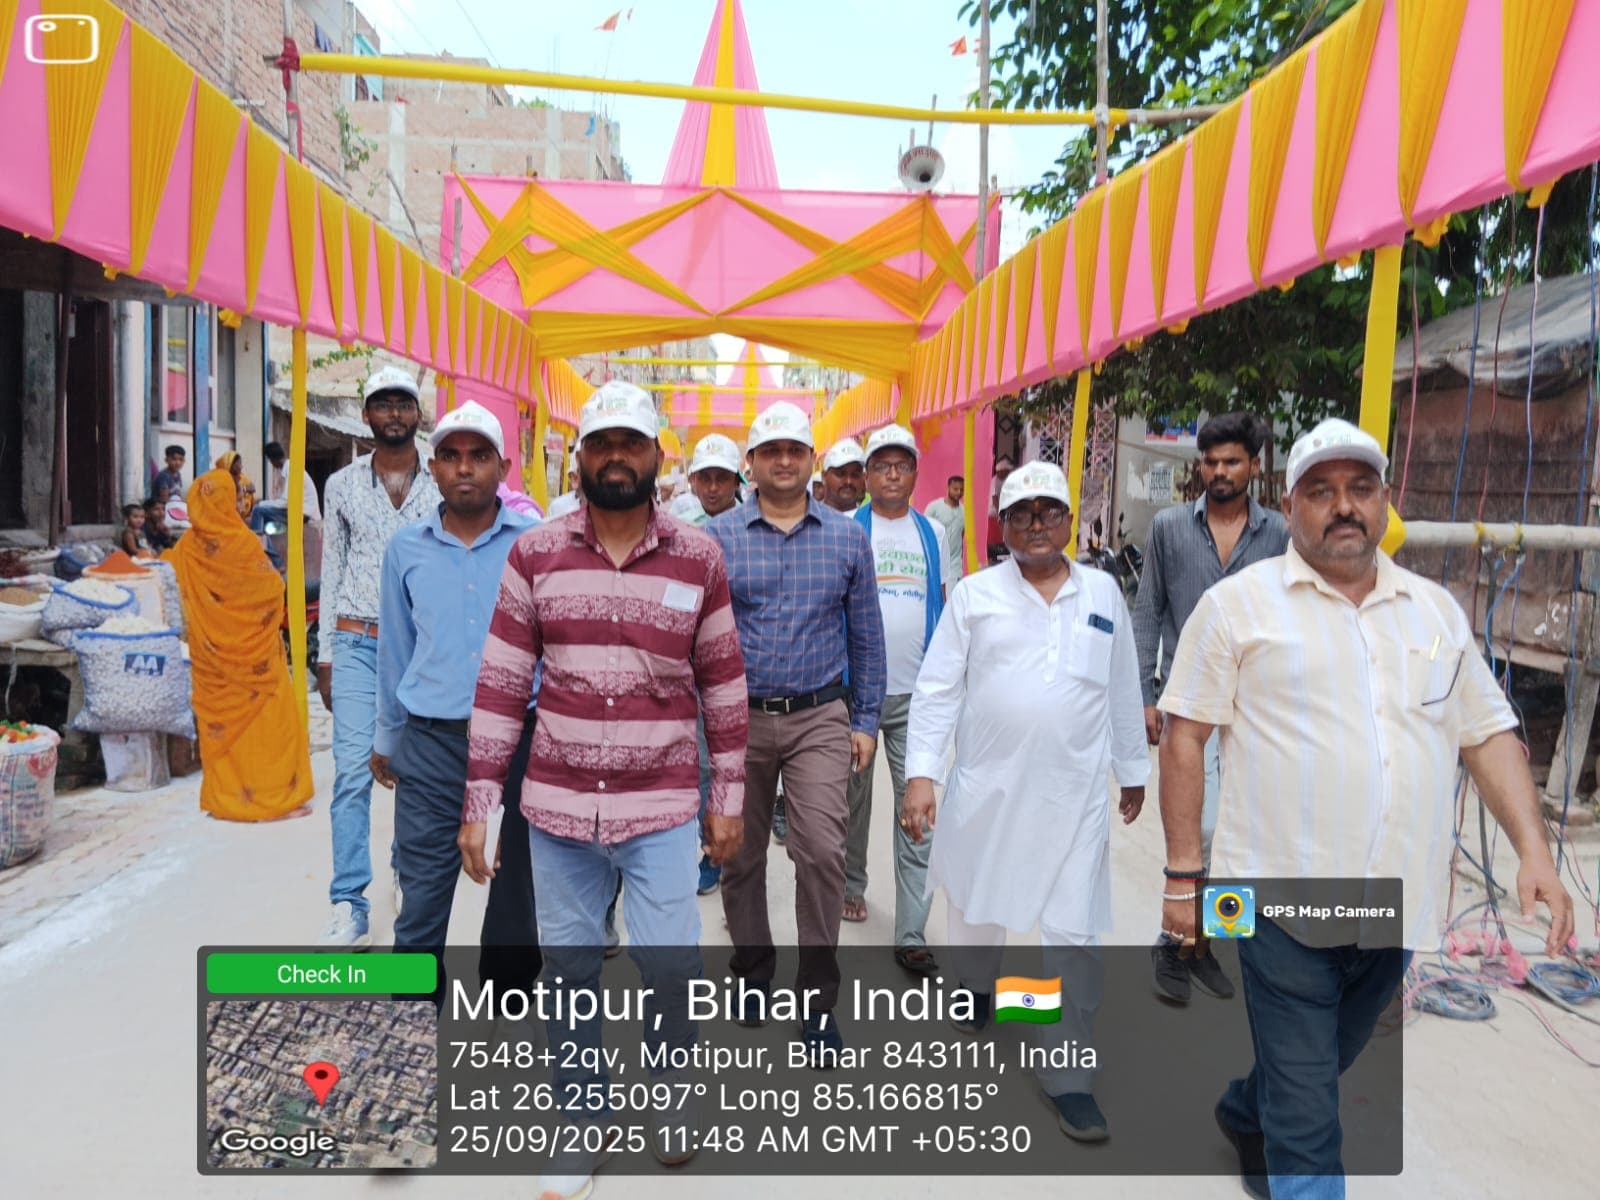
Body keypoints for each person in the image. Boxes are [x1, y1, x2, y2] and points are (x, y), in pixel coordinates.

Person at [1157, 418, 1575, 1200]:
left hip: (1394, 899)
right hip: (1270, 894)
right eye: (1321, 492)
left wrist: (1536, 853)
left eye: (1360, 489)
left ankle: (1249, 1111)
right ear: (1291, 504)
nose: (1342, 507)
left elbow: (1486, 734)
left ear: (1388, 500)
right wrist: (1184, 876)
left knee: (1323, 1057)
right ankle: (1285, 1138)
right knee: (1313, 1112)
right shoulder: (1236, 608)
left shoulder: (1434, 612)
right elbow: (1185, 738)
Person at [465, 381, 747, 1198]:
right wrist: (481, 800)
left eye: (631, 443)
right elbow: (501, 681)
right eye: (600, 443)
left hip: (659, 805)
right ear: (579, 457)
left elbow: (724, 684)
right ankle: (581, 1119)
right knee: (569, 966)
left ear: (660, 459)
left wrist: (726, 794)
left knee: (670, 960)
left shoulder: (699, 558)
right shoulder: (536, 554)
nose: (615, 456)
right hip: (556, 806)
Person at [902, 461, 1148, 1143]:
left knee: (1074, 932)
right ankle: (977, 987)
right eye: (1021, 514)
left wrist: (1132, 766)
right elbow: (937, 689)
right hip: (991, 789)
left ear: (1071, 521)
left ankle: (1067, 1075)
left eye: (1049, 511)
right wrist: (922, 772)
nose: (1037, 524)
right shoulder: (976, 596)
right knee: (978, 906)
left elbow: (1123, 686)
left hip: (1076, 796)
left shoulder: (1101, 593)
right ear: (1002, 527)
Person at [706, 401, 886, 1063]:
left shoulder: (846, 539)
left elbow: (867, 639)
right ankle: (753, 972)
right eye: (771, 449)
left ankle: (817, 1004)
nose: (784, 460)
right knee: (740, 854)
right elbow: (701, 637)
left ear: (812, 461)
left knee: (820, 853)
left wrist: (864, 720)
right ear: (750, 463)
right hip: (739, 720)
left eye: (796, 449)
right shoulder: (719, 538)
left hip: (819, 717)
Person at [374, 401, 540, 1010]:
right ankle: (414, 1024)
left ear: (503, 466)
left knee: (518, 890)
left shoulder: (536, 545)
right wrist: (388, 737)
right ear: (433, 467)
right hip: (432, 741)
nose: (464, 469)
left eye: (478, 456)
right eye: (450, 456)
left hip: (523, 739)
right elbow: (397, 646)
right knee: (420, 889)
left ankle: (506, 1015)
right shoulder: (406, 550)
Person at [1133, 412, 1288, 1005]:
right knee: (1193, 827)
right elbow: (1148, 611)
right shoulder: (1171, 528)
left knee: (1239, 834)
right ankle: (1172, 942)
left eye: (1232, 462)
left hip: (1255, 710)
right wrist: (1144, 693)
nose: (1220, 472)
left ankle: (1208, 945)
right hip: (1187, 703)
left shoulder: (1277, 534)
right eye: (1211, 462)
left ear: (1252, 466)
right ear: (1200, 466)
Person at [316, 366, 441, 948]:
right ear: (366, 415)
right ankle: (349, 902)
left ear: (418, 415)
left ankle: (404, 869)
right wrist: (326, 656)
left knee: (412, 771)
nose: (393, 413)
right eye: (382, 404)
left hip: (419, 645)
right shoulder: (341, 486)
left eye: (403, 404)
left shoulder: (440, 485)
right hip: (357, 640)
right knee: (351, 774)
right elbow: (333, 570)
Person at [843, 424, 948, 976]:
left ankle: (911, 930)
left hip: (919, 695)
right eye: (880, 465)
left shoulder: (933, 533)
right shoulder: (845, 531)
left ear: (913, 472)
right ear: (864, 476)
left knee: (918, 810)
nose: (890, 473)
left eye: (901, 464)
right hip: (856, 693)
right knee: (852, 801)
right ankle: (852, 884)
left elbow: (945, 606)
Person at [169, 469, 315, 822]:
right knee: (270, 725)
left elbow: (173, 592)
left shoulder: (184, 551)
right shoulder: (243, 543)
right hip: (258, 664)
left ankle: (226, 801)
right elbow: (270, 591)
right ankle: (276, 798)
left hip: (212, 663)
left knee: (224, 733)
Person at [683, 433, 746, 895]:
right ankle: (699, 853)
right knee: (697, 763)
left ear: (737, 480)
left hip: (739, 668)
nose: (712, 487)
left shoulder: (752, 528)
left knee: (722, 764)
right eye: (704, 477)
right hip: (687, 665)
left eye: (721, 478)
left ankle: (717, 860)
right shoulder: (677, 523)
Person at [264, 441, 322, 522]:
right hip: (304, 511)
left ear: (273, 459)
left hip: (306, 514)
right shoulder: (290, 468)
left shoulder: (292, 470)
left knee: (259, 510)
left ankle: (255, 534)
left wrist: (263, 504)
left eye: (270, 460)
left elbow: (285, 502)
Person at [924, 473, 966, 583]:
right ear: (947, 488)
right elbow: (924, 531)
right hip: (936, 561)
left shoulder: (964, 511)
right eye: (955, 489)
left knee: (952, 598)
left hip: (955, 565)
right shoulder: (934, 507)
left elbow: (961, 535)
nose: (959, 492)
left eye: (961, 489)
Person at [820, 439, 866, 512]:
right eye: (840, 474)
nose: (848, 481)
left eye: (855, 475)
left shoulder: (870, 521)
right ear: (824, 477)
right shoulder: (808, 519)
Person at [215, 451, 256, 521]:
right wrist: (243, 489)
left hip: (243, 515)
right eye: (239, 463)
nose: (241, 466)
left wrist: (243, 489)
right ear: (231, 464)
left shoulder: (242, 477)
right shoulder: (221, 479)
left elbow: (252, 488)